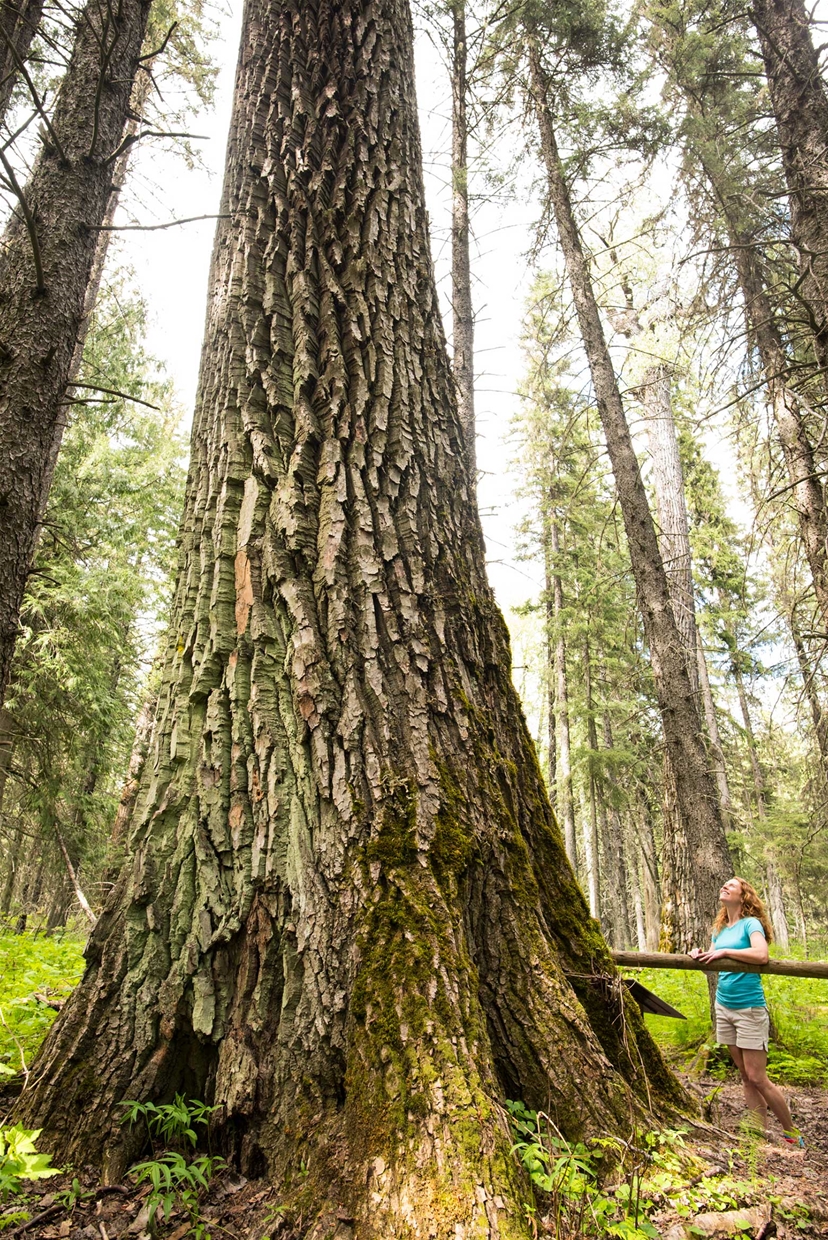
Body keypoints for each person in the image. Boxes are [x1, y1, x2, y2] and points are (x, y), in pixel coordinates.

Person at [691, 876, 804, 1149]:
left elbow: (761, 955)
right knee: (744, 1075)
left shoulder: (751, 924)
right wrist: (700, 956)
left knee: (757, 1077)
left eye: (731, 885)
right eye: (724, 885)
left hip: (749, 1007)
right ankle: (759, 1132)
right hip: (724, 1005)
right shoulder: (719, 929)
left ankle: (793, 1133)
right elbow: (713, 964)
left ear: (743, 896)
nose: (724, 887)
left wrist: (725, 952)